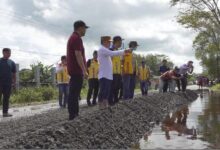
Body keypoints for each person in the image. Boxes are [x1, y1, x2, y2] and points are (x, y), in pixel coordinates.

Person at [98, 36, 131, 109]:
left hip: (110, 74)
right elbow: (112, 54)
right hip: (105, 74)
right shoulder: (104, 50)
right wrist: (124, 51)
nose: (110, 43)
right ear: (104, 42)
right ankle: (103, 104)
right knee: (105, 90)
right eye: (109, 41)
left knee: (110, 89)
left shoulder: (108, 50)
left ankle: (107, 103)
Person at [67, 20, 89, 120]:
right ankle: (73, 114)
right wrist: (84, 70)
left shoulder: (73, 37)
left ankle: (74, 113)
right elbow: (78, 54)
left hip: (74, 70)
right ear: (80, 28)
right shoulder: (76, 38)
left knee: (74, 93)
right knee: (74, 93)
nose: (85, 30)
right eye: (85, 28)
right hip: (76, 71)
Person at [0, 48, 16, 117]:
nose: (9, 54)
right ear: (3, 53)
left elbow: (14, 73)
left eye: (10, 53)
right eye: (8, 53)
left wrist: (14, 82)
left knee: (6, 98)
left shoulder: (12, 62)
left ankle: (5, 113)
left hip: (8, 83)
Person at [108, 36, 124, 105]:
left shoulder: (118, 51)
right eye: (120, 42)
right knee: (112, 88)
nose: (121, 44)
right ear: (116, 42)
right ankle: (110, 102)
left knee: (117, 87)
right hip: (112, 73)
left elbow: (120, 62)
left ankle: (116, 101)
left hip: (118, 73)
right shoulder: (110, 50)